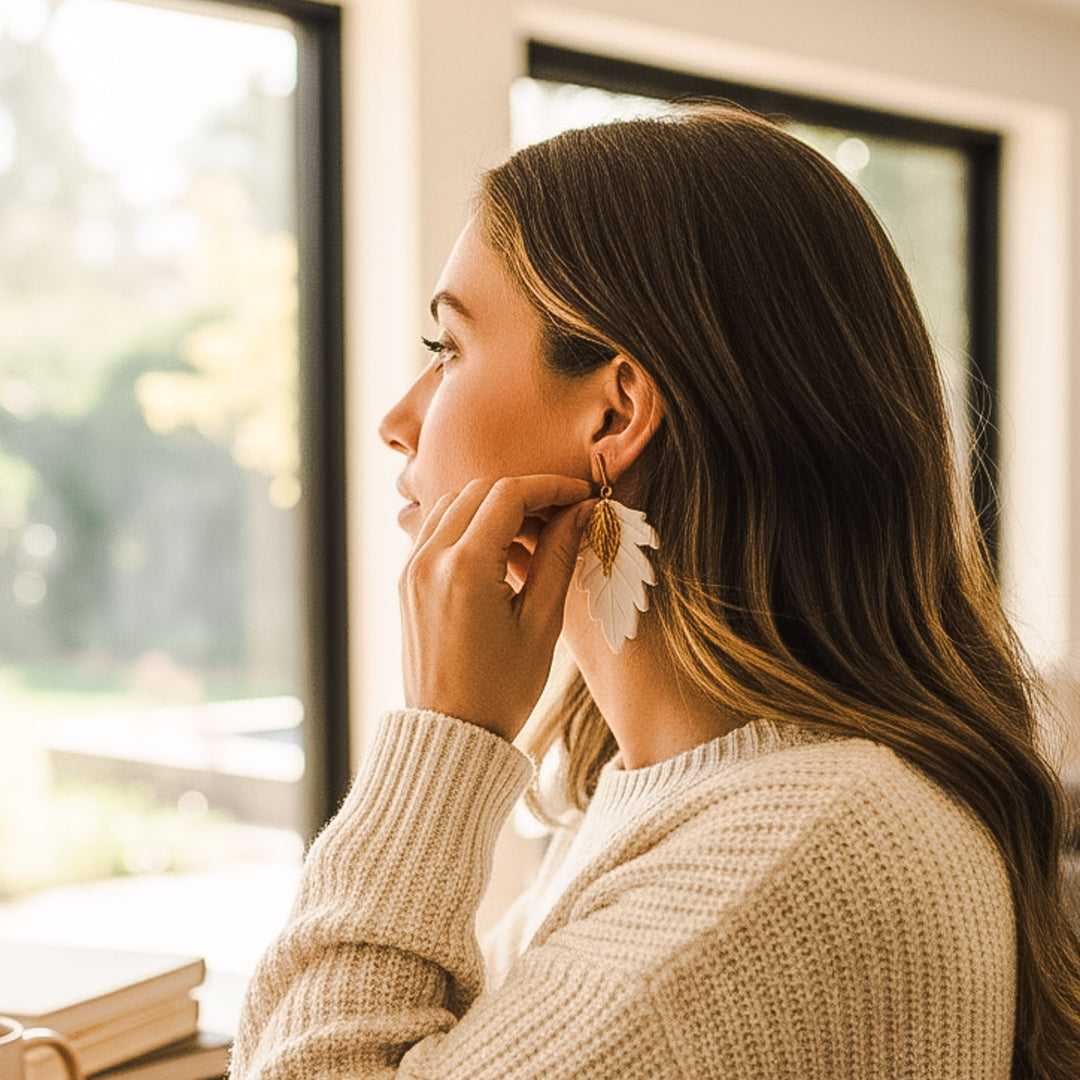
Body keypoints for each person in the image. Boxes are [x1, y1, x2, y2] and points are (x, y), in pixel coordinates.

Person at [228, 105, 1080, 1079]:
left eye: (447, 350)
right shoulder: (674, 797)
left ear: (617, 408)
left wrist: (443, 736)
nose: (396, 421)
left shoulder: (791, 860)